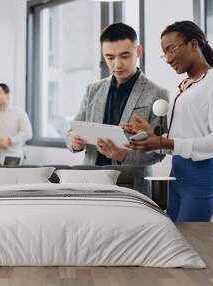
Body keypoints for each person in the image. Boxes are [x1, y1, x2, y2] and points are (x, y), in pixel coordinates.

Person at [124, 21, 213, 222]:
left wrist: (165, 143)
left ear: (193, 44)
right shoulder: (184, 86)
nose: (167, 58)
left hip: (203, 176)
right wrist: (153, 136)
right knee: (174, 237)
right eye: (164, 53)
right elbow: (180, 139)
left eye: (171, 49)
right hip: (178, 172)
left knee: (188, 241)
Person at [66, 22, 169, 197]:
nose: (117, 64)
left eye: (124, 55)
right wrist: (73, 141)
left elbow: (160, 151)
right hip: (91, 181)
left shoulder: (157, 93)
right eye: (110, 57)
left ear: (138, 52)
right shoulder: (93, 90)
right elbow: (72, 131)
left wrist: (122, 155)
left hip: (132, 186)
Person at [0, 83, 33, 164]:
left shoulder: (19, 112)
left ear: (8, 95)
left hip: (13, 157)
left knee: (11, 176)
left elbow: (28, 133)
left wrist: (10, 140)